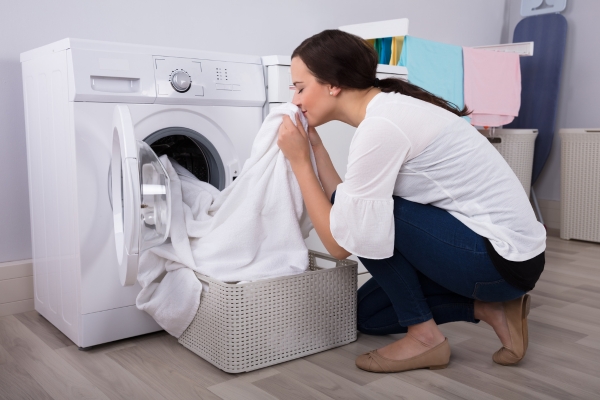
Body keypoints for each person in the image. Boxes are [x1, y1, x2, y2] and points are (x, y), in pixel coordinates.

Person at [276, 30, 546, 373]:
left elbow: (341, 241)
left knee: (367, 219)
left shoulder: (382, 126)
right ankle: (492, 309)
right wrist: (315, 149)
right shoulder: (387, 110)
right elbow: (346, 204)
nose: (296, 100)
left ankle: (424, 338)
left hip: (500, 260)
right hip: (498, 255)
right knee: (366, 315)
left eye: (300, 88)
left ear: (333, 84)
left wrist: (299, 163)